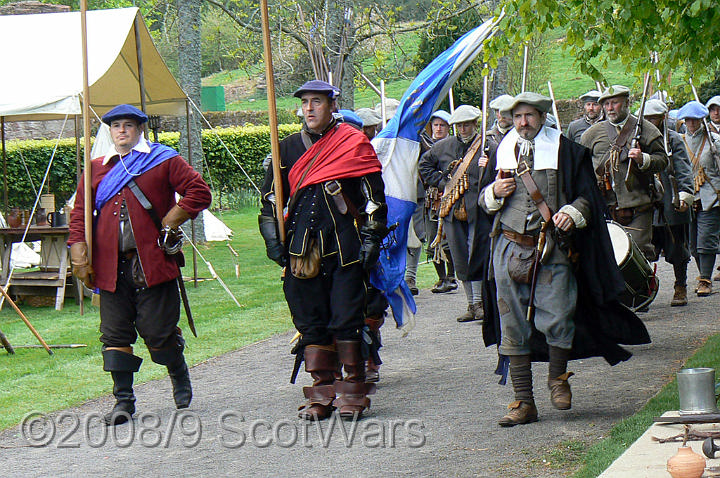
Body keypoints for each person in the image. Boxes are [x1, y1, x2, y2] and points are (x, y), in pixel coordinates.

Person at [480, 92, 650, 427]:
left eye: (529, 116)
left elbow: (589, 197)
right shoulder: (499, 151)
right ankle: (523, 402)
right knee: (511, 324)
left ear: (542, 117)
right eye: (517, 117)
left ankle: (558, 379)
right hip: (508, 248)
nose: (523, 123)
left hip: (551, 248)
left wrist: (572, 213)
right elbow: (482, 203)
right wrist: (492, 195)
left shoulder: (567, 151)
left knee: (558, 315)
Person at [68, 104, 212, 425]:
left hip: (153, 263)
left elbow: (199, 192)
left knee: (158, 335)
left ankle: (177, 370)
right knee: (114, 335)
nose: (122, 131)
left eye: (128, 125)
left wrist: (173, 219)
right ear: (109, 131)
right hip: (109, 268)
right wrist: (78, 248)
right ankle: (123, 402)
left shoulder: (163, 160)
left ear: (139, 129)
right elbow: (80, 216)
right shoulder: (94, 170)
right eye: (116, 125)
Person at [258, 80, 387, 420]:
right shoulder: (284, 148)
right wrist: (274, 240)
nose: (310, 108)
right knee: (310, 321)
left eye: (317, 102)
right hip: (301, 248)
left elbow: (374, 197)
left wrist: (372, 236)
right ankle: (321, 393)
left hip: (346, 246)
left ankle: (353, 393)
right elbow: (271, 200)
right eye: (305, 103)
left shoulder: (353, 142)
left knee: (346, 319)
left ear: (332, 105)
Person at [581, 85, 668, 261]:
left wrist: (644, 159)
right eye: (606, 104)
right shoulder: (591, 134)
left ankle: (645, 288)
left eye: (615, 103)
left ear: (627, 103)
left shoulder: (647, 130)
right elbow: (581, 167)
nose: (610, 108)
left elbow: (662, 160)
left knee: (637, 256)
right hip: (605, 207)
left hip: (639, 207)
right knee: (607, 256)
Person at [419, 105, 485, 322]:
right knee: (460, 256)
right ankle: (472, 304)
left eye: (467, 124)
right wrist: (442, 183)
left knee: (478, 254)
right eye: (459, 125)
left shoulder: (488, 146)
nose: (463, 129)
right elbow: (424, 165)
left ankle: (482, 303)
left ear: (475, 124)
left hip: (480, 210)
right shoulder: (444, 146)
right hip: (452, 209)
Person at [642, 99, 694, 306]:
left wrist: (685, 194)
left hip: (670, 200)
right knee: (644, 249)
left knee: (677, 248)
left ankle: (680, 286)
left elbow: (683, 169)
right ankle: (643, 291)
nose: (649, 121)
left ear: (663, 118)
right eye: (646, 118)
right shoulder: (637, 140)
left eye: (653, 117)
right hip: (647, 203)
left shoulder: (672, 139)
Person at [406, 110, 456, 295]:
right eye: (436, 125)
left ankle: (451, 277)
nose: (439, 128)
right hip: (431, 199)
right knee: (433, 238)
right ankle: (442, 278)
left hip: (452, 196)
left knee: (449, 239)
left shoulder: (453, 146)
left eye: (443, 125)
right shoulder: (425, 144)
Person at [676, 101, 720, 296]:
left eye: (694, 119)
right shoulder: (679, 140)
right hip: (689, 197)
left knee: (706, 240)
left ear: (701, 120)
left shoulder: (714, 140)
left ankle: (705, 279)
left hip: (712, 195)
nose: (691, 123)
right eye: (688, 120)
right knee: (693, 244)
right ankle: (703, 274)